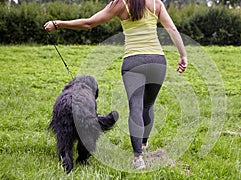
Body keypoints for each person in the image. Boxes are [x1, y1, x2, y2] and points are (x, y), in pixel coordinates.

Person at [44, 0, 188, 169]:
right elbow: (171, 28)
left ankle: (138, 159)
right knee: (148, 106)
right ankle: (143, 143)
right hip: (157, 61)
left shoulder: (121, 4)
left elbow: (89, 23)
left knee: (135, 107)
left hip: (133, 62)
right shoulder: (156, 3)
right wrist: (183, 55)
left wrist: (58, 24)